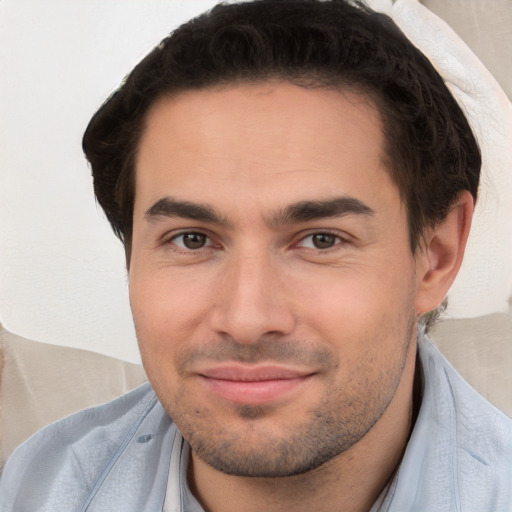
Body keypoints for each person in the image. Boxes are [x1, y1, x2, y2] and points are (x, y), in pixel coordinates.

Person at [1, 0, 511, 510]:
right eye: (192, 239)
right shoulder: (35, 488)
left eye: (321, 240)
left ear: (437, 255)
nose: (246, 320)